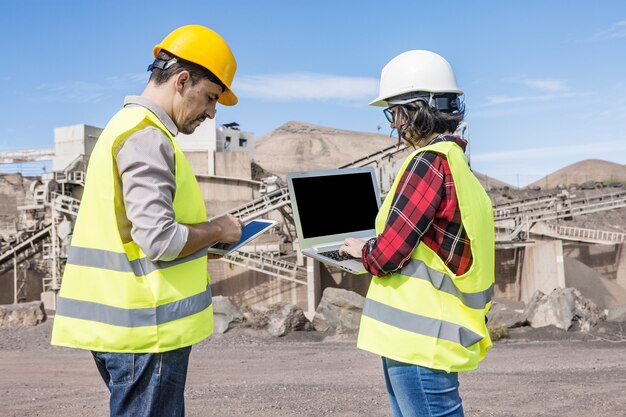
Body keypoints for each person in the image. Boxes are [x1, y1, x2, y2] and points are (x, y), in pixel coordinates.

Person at [51, 25, 243, 417]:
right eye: (209, 98)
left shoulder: (123, 128)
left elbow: (134, 237)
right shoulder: (146, 136)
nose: (211, 113)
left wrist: (202, 243)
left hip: (126, 327)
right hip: (146, 331)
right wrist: (219, 230)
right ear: (182, 80)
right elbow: (159, 240)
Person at [339, 50, 494, 417]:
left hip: (420, 340)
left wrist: (363, 250)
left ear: (414, 110)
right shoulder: (457, 163)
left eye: (395, 111)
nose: (394, 123)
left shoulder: (427, 163)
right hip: (430, 336)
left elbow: (387, 254)